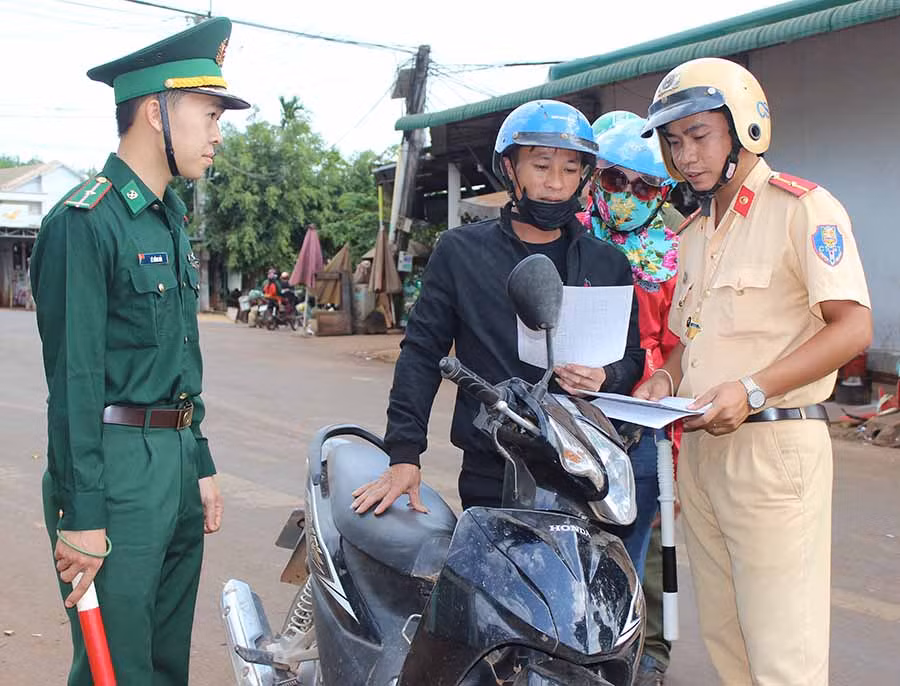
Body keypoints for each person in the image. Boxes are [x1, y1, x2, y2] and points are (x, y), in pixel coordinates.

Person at [635, 57, 872, 685]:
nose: (686, 155)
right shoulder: (691, 232)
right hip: (704, 451)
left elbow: (851, 327)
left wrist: (752, 387)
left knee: (780, 653)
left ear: (745, 129)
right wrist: (664, 377)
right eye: (674, 140)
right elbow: (692, 339)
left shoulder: (801, 209)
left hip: (774, 447)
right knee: (727, 640)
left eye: (701, 135)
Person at [30, 18, 249, 685]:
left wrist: (200, 458)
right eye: (208, 114)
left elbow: (179, 361)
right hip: (116, 472)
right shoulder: (85, 222)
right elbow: (73, 381)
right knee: (115, 671)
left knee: (162, 664)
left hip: (175, 463)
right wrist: (82, 514)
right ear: (156, 111)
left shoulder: (168, 218)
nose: (217, 134)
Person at [351, 99, 644, 515]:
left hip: (588, 473)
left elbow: (632, 359)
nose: (556, 183)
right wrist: (403, 455)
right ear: (509, 168)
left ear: (583, 176)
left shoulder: (608, 263)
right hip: (494, 472)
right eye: (541, 166)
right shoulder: (460, 253)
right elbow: (420, 354)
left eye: (570, 168)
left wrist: (606, 375)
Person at [584, 110, 680, 582]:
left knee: (630, 559)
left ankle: (635, 651)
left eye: (643, 187)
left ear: (663, 193)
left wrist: (674, 452)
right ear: (595, 177)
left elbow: (679, 349)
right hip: (573, 414)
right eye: (615, 179)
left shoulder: (673, 257)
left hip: (643, 419)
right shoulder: (567, 238)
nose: (627, 194)